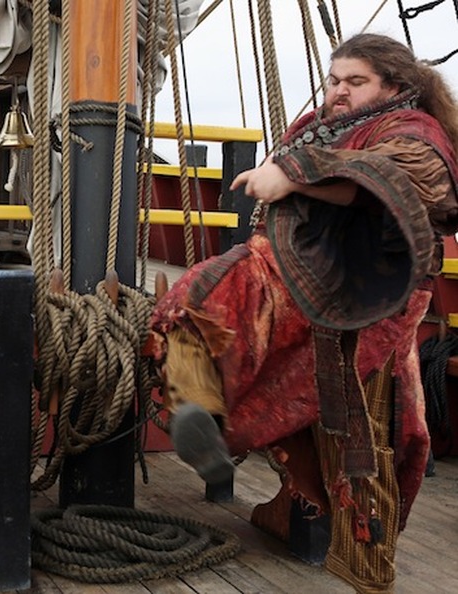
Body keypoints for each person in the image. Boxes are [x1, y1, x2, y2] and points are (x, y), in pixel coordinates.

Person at [151, 33, 458, 593]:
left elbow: (403, 180)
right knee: (198, 301)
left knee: (365, 448)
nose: (338, 92)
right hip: (296, 285)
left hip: (373, 312)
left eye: (355, 81)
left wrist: (294, 174)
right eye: (333, 79)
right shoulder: (322, 123)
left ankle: (369, 577)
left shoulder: (415, 130)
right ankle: (204, 419)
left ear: (395, 85)